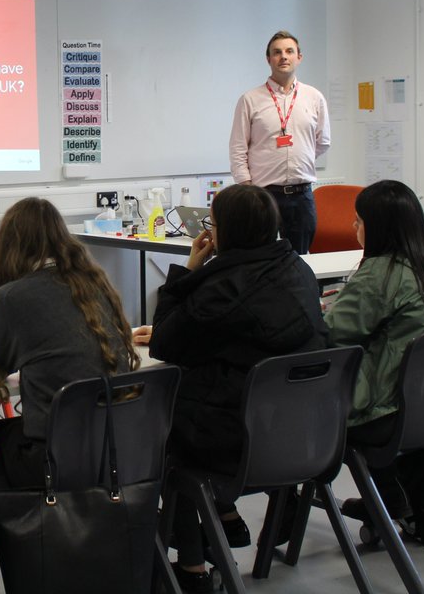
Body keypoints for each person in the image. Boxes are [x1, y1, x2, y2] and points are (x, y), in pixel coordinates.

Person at [132, 184, 325, 593]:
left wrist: (189, 271)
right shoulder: (298, 271)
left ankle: (193, 568)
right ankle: (225, 517)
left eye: (213, 225)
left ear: (225, 232)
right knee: (200, 411)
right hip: (304, 434)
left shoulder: (222, 289)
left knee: (167, 438)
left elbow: (166, 342)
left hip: (236, 442)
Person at [325, 180, 424, 521]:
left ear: (377, 228)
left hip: (389, 413)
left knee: (307, 403)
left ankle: (384, 499)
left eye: (358, 221)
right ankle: (389, 500)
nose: (353, 227)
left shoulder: (380, 275)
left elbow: (332, 334)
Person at [0, 197, 140, 493]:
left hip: (57, 455)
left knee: (2, 449)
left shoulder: (12, 297)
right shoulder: (94, 283)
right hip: (116, 447)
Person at [229, 30, 331, 254]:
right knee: (259, 258)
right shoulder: (250, 99)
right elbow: (238, 147)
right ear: (268, 59)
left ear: (299, 57)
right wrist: (247, 188)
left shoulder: (314, 97)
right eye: (277, 52)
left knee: (301, 261)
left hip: (302, 194)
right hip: (263, 195)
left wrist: (298, 157)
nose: (283, 56)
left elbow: (323, 141)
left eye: (289, 51)